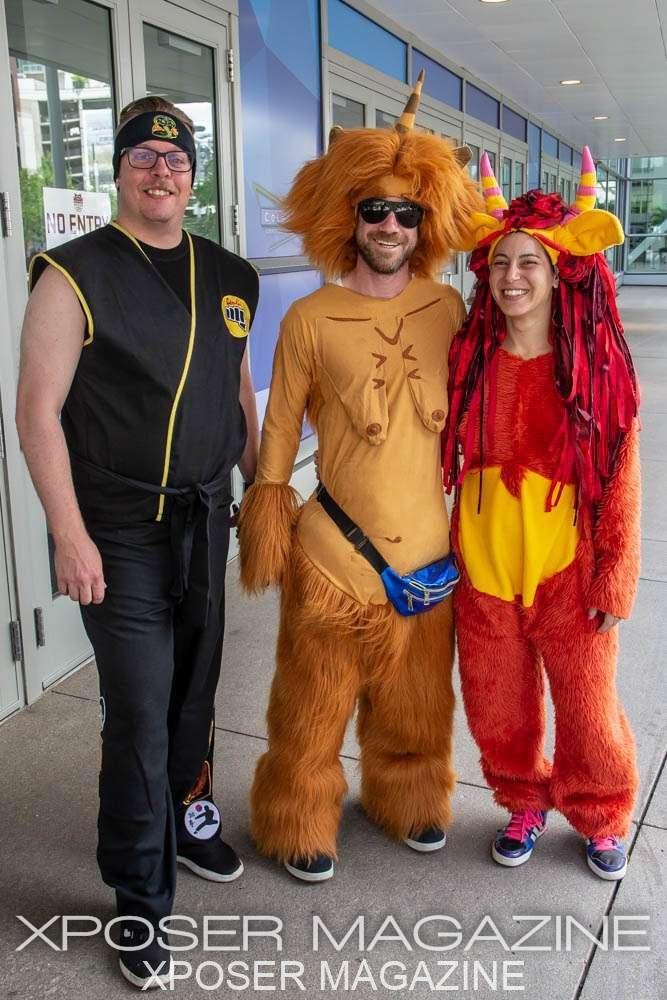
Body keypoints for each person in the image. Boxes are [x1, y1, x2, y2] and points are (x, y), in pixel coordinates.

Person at [15, 96, 260, 988]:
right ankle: (139, 895)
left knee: (193, 695)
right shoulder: (72, 274)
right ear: (118, 171)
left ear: (193, 176)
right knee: (139, 710)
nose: (161, 170)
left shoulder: (230, 274)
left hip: (205, 520)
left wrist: (265, 492)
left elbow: (238, 393)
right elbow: (36, 412)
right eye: (144, 156)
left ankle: (188, 820)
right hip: (117, 534)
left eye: (176, 158)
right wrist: (68, 535)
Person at [238, 74, 482, 882]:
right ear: (348, 215)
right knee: (310, 712)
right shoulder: (308, 318)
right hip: (333, 559)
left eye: (405, 213)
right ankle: (296, 815)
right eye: (374, 209)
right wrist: (267, 520)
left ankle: (408, 798)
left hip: (427, 559)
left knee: (417, 709)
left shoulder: (447, 308)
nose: (388, 225)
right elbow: (278, 436)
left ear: (425, 224)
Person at [442, 149, 640, 881]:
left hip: (568, 571)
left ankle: (600, 811)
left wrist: (614, 576)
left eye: (529, 262)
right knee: (497, 704)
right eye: (500, 262)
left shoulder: (593, 367)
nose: (512, 276)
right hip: (485, 567)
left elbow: (620, 478)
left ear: (559, 274)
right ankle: (522, 800)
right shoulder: (468, 358)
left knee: (589, 708)